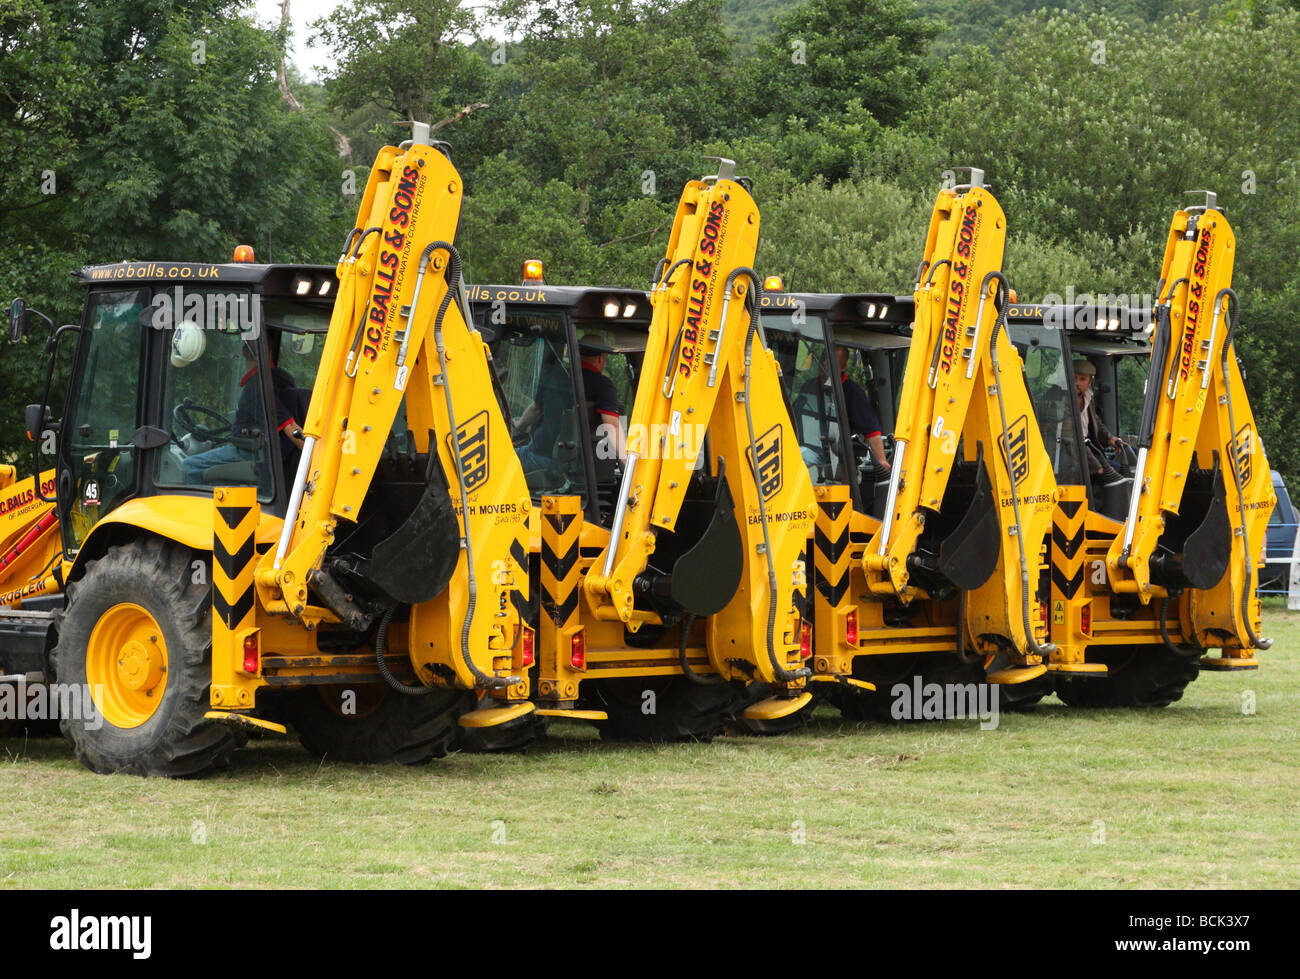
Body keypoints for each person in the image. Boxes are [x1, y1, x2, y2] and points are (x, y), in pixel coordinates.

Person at [183, 342, 305, 486]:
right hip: (261, 451)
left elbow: (289, 424)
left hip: (250, 453)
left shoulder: (258, 385)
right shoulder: (278, 379)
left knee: (188, 466)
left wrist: (313, 455)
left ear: (244, 354)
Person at [835, 345, 890, 473]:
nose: (825, 363)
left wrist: (881, 460)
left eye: (830, 360)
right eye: (823, 359)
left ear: (842, 367)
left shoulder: (852, 392)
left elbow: (871, 429)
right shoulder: (809, 386)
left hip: (838, 456)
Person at [1073, 358, 1123, 484]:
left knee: (1124, 466)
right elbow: (1071, 439)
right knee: (1112, 475)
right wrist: (1097, 466)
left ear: (1090, 382)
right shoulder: (1061, 401)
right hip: (1072, 455)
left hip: (1087, 450)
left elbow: (1095, 421)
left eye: (1082, 379)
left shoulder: (1088, 397)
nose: (1076, 383)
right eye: (1074, 378)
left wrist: (1110, 438)